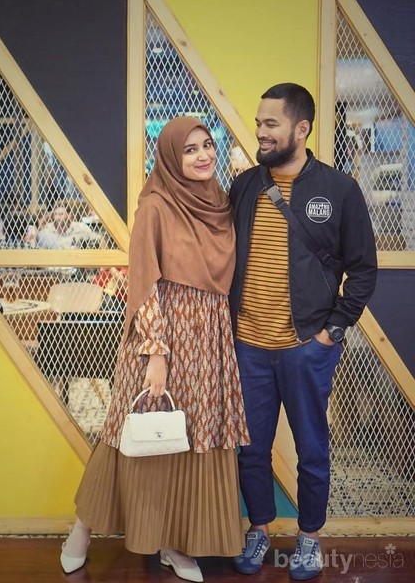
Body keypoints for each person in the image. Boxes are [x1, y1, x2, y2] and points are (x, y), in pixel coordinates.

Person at [60, 116, 250, 582]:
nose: (203, 155)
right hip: (162, 339)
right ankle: (80, 531)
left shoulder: (220, 204)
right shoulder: (156, 207)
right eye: (190, 149)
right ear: (169, 157)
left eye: (207, 145)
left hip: (208, 342)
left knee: (189, 442)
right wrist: (157, 353)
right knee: (130, 439)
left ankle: (175, 544)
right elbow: (144, 284)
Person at [229, 83, 377, 580]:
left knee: (311, 448)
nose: (261, 132)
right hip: (248, 346)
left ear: (301, 128)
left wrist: (331, 331)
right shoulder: (244, 187)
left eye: (271, 124)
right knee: (251, 449)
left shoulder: (339, 190)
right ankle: (259, 529)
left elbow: (363, 270)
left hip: (306, 346)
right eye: (259, 123)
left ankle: (310, 538)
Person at [37, 201, 102, 249]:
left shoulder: (79, 227)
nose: (58, 217)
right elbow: (40, 225)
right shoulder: (49, 228)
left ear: (69, 215)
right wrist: (51, 213)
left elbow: (97, 238)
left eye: (61, 214)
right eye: (55, 214)